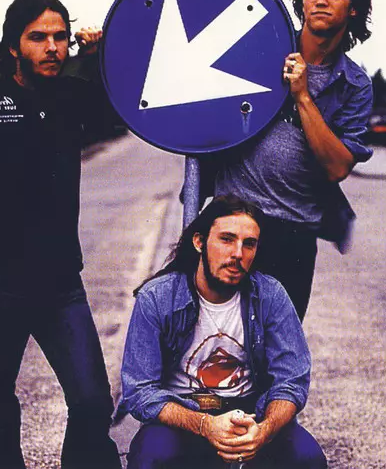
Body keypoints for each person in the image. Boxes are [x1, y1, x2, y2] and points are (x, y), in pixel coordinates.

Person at [118, 0, 374, 321]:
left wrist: (302, 96)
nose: (320, 0)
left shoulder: (353, 85)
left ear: (354, 8)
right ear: (301, 1)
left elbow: (337, 167)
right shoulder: (260, 45)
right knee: (195, 333)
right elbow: (178, 53)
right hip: (230, 219)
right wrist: (138, 0)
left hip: (294, 234)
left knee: (274, 346)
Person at [0, 0, 121, 469]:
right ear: (13, 46)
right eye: (38, 37)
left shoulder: (74, 96)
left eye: (61, 37)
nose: (52, 47)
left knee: (91, 401)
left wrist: (102, 45)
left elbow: (126, 98)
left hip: (62, 283)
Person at [121, 195, 327, 469]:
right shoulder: (157, 298)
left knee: (307, 459)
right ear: (199, 242)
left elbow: (291, 380)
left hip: (250, 416)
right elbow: (139, 390)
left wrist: (264, 432)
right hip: (184, 416)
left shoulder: (270, 295)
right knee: (151, 457)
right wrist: (205, 425)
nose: (238, 253)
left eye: (249, 244)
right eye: (227, 239)